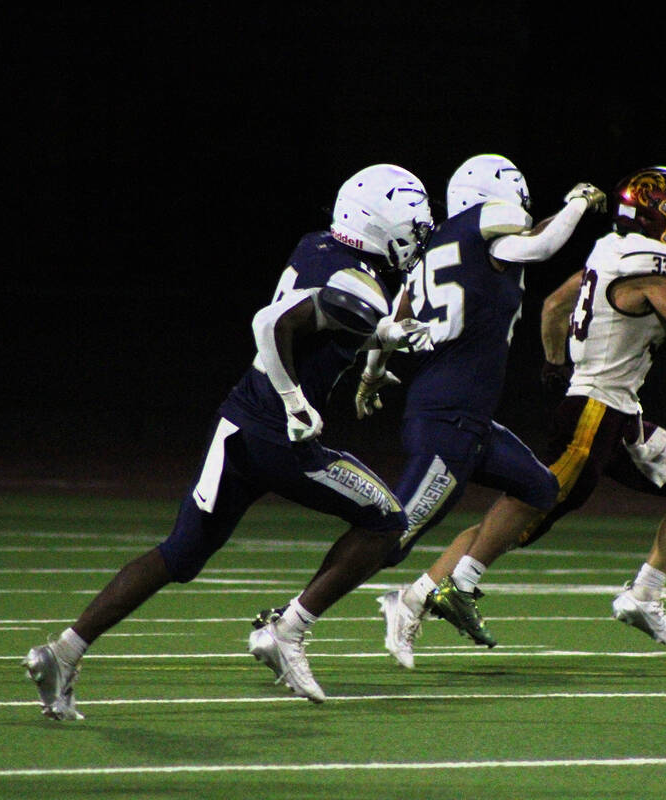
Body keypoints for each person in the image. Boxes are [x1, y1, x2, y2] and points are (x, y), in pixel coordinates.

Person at [22, 163, 436, 718]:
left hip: (238, 422)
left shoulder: (319, 247)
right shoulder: (353, 277)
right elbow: (271, 324)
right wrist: (295, 402)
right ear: (381, 222)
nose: (417, 238)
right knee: (387, 520)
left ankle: (63, 651)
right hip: (281, 439)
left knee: (179, 555)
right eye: (412, 225)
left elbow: (327, 319)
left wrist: (379, 345)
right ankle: (287, 631)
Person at [381, 165, 666, 661]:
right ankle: (417, 596)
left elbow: (555, 305)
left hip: (617, 414)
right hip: (595, 413)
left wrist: (556, 364)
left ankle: (643, 594)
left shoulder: (610, 252)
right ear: (651, 214)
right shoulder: (647, 264)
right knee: (523, 515)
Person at [254, 154, 608, 669]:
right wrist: (578, 202)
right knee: (388, 538)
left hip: (467, 419)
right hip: (448, 421)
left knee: (539, 488)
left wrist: (373, 373)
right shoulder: (487, 235)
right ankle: (286, 622)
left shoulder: (446, 249)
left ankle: (425, 593)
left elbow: (397, 312)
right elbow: (544, 244)